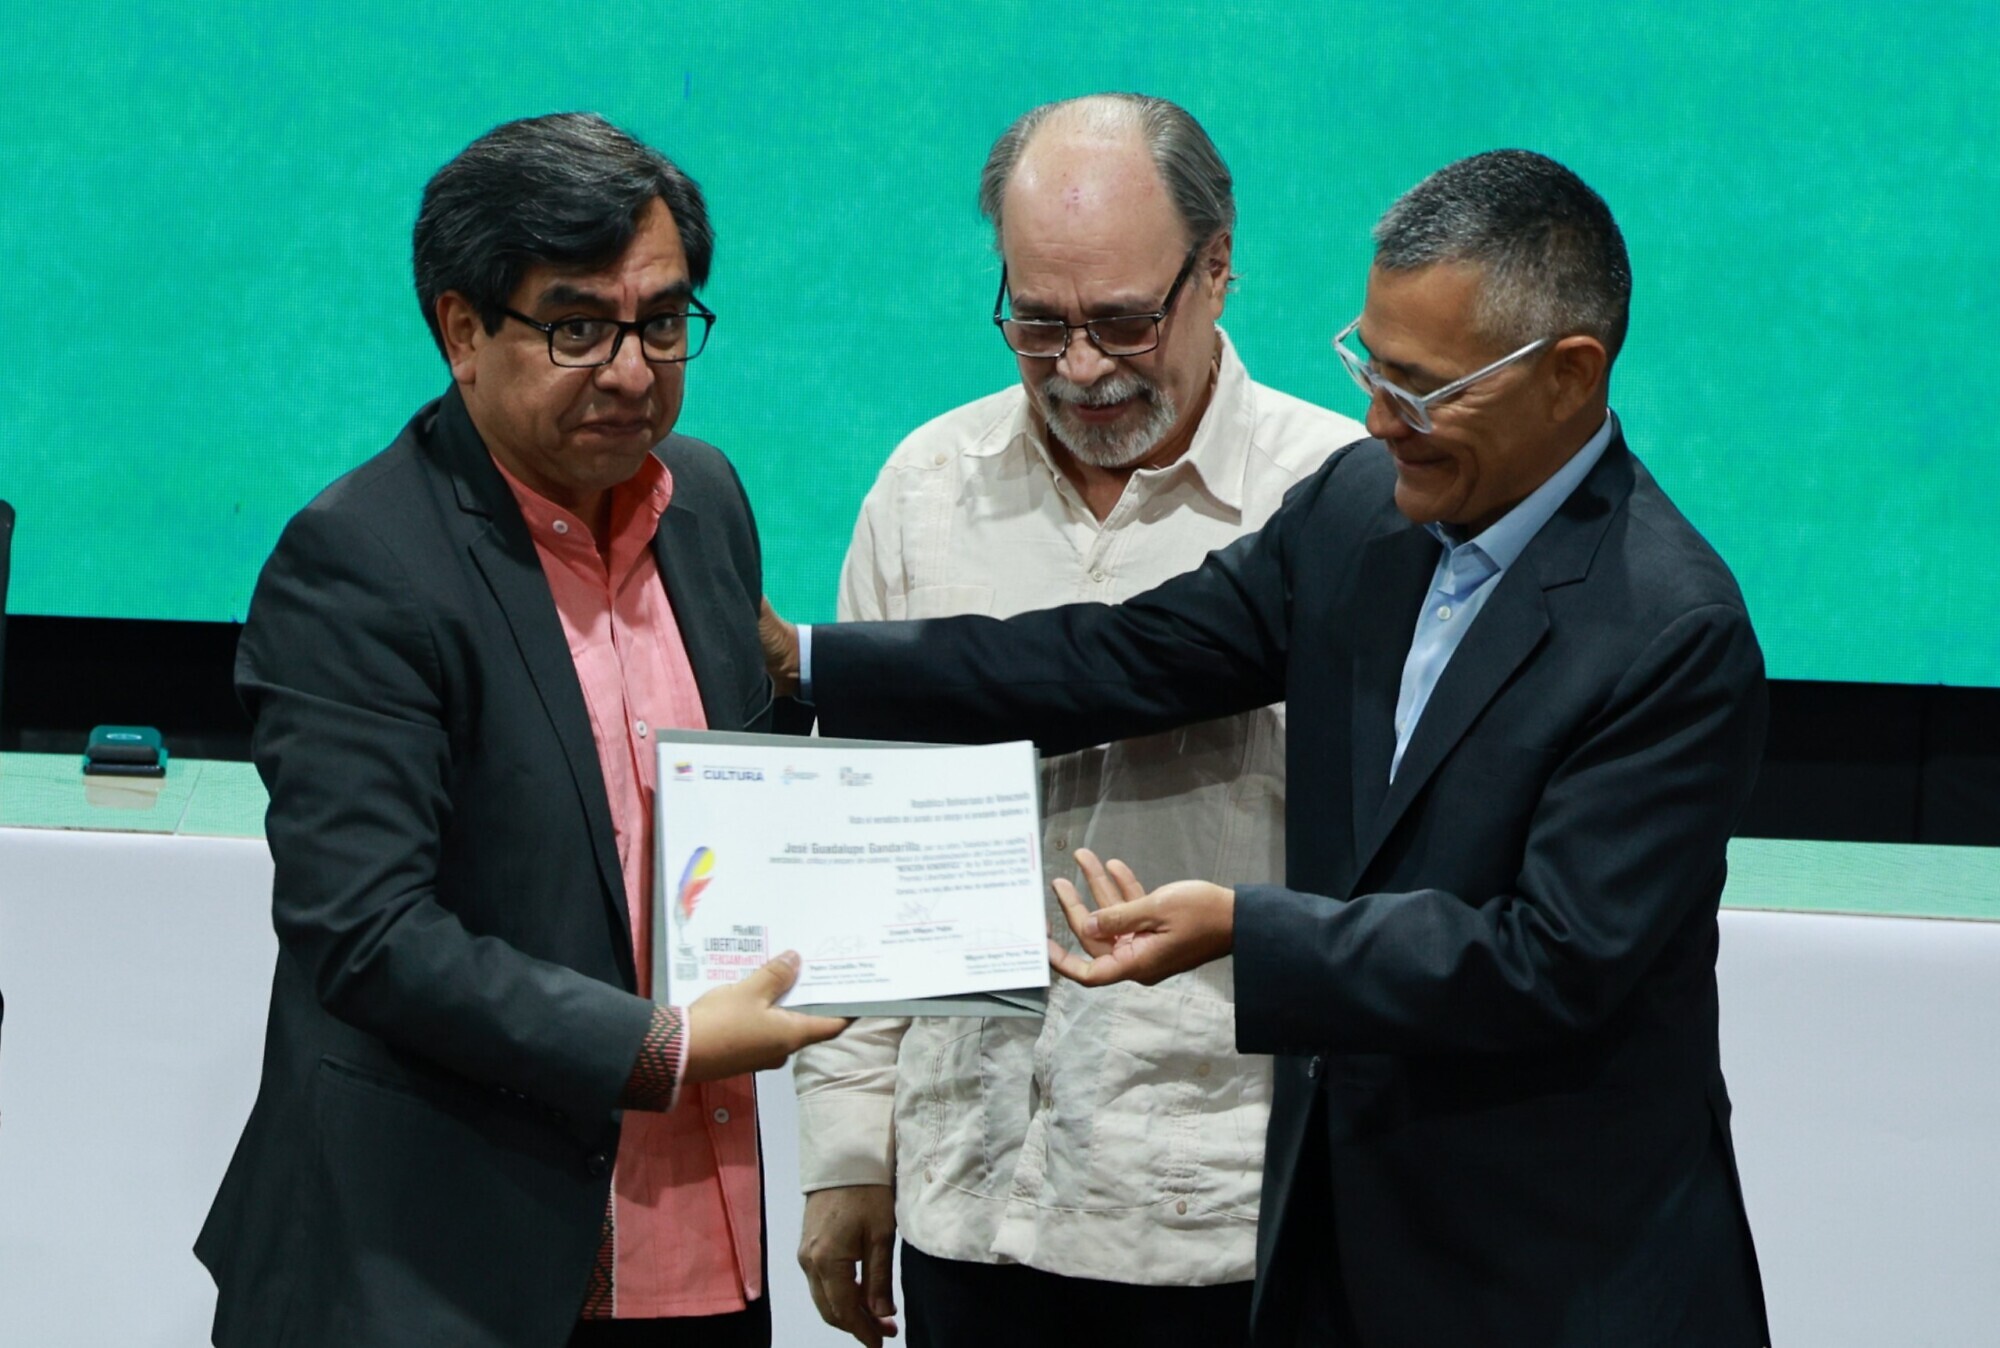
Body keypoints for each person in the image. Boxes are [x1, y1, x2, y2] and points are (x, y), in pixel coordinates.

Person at [774, 150, 1771, 1347]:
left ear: (1569, 374)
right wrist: (806, 661)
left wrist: (1245, 929)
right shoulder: (1356, 512)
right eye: (1369, 366)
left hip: (1555, 1270)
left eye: (1421, 388)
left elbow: (1547, 958)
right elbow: (1117, 657)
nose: (1378, 418)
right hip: (1334, 1255)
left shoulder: (1669, 627)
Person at [196, 113, 845, 1348]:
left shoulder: (706, 501)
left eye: (663, 321)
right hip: (445, 1272)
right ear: (461, 332)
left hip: (701, 1249)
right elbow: (368, 934)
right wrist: (659, 1045)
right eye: (577, 327)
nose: (632, 371)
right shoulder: (360, 562)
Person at [789, 94, 1363, 1348]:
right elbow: (857, 856)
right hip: (969, 1205)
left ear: (1217, 268)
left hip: (1226, 1223)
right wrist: (846, 1151)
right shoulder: (926, 490)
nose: (1083, 368)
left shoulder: (1339, 501)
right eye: (1037, 323)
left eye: (1120, 321)